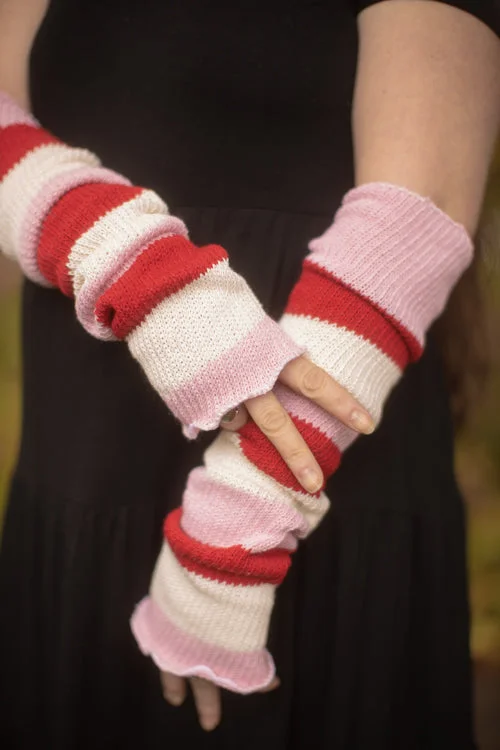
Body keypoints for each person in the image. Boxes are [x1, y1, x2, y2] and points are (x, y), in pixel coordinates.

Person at [0, 0, 499, 748]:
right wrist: (130, 262)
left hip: (324, 464)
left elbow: (418, 214)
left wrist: (234, 535)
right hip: (87, 457)